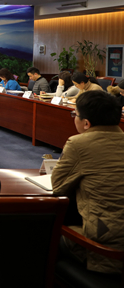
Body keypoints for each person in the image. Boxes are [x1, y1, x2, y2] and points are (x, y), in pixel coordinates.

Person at [52, 90, 124, 274]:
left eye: (74, 114)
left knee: (41, 232)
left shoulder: (78, 143)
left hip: (108, 250)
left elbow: (58, 187)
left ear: (86, 123)